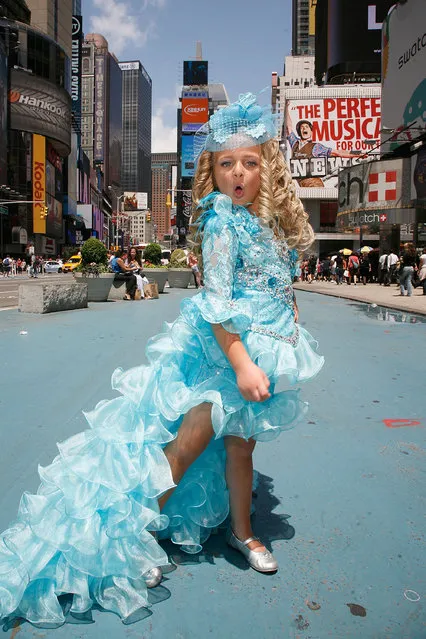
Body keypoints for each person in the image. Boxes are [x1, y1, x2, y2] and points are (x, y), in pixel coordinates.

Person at [0, 93, 324, 626]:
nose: (238, 174)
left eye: (249, 162)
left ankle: (243, 531)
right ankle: (138, 534)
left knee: (242, 449)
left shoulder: (267, 224)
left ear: (268, 167)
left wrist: (284, 336)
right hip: (222, 352)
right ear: (211, 173)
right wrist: (242, 363)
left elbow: (280, 287)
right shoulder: (222, 222)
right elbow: (217, 303)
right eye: (226, 164)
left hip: (263, 347)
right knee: (187, 446)